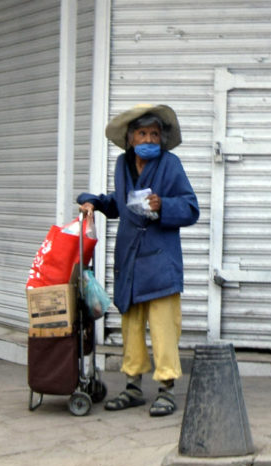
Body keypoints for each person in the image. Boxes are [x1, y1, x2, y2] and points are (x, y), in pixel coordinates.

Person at [78, 104, 199, 416]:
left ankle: (166, 389)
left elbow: (191, 208)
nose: (149, 139)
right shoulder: (123, 165)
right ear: (130, 139)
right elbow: (119, 203)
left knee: (163, 327)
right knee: (131, 325)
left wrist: (164, 205)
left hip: (160, 260)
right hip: (130, 259)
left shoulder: (170, 164)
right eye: (143, 134)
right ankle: (132, 387)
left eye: (154, 134)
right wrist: (93, 202)